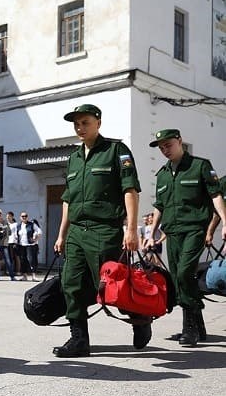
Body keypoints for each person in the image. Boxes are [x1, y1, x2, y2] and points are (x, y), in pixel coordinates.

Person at [53, 104, 144, 357]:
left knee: (109, 289)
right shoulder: (73, 158)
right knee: (71, 283)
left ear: (98, 123)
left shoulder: (116, 151)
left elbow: (130, 191)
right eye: (76, 124)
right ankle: (79, 338)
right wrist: (62, 234)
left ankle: (140, 318)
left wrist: (132, 229)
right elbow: (67, 200)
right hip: (76, 233)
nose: (80, 128)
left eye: (85, 122)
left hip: (104, 231)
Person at [148, 128, 226, 346]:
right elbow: (159, 206)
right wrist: (152, 233)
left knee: (183, 273)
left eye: (168, 145)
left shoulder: (200, 166)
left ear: (180, 141)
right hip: (172, 232)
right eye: (161, 147)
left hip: (194, 229)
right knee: (179, 277)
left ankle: (189, 327)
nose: (165, 150)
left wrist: (225, 222)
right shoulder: (162, 173)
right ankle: (198, 326)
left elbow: (215, 195)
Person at [17, 212, 42, 280]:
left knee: (31, 260)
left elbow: (39, 232)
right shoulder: (19, 226)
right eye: (22, 216)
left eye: (25, 216)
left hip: (30, 245)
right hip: (21, 245)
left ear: (27, 217)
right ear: (20, 217)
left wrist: (35, 239)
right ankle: (24, 276)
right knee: (23, 260)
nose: (24, 217)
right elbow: (16, 235)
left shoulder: (32, 224)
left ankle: (34, 276)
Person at [0, 209, 16, 281]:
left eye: (0, 213)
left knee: (8, 260)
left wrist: (4, 230)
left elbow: (9, 233)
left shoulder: (5, 222)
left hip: (4, 243)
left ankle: (12, 276)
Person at [6, 211, 21, 276]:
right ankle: (9, 270)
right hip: (7, 242)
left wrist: (16, 242)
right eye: (7, 217)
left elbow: (16, 233)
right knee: (9, 257)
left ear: (12, 217)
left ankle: (18, 271)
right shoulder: (6, 224)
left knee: (16, 257)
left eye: (9, 216)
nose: (8, 218)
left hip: (13, 242)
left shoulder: (15, 224)